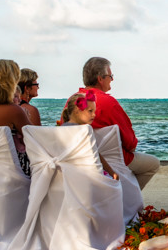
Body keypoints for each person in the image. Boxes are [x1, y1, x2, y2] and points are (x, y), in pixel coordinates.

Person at [80, 57, 160, 190]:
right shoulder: (108, 103)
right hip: (112, 161)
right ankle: (127, 197)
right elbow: (130, 143)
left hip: (83, 159)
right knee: (153, 164)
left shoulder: (72, 101)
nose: (112, 79)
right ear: (100, 79)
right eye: (110, 76)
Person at [59, 91, 118, 180]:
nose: (94, 115)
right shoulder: (85, 130)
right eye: (90, 111)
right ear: (76, 111)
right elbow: (96, 155)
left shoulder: (60, 129)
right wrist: (112, 172)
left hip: (65, 174)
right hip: (86, 176)